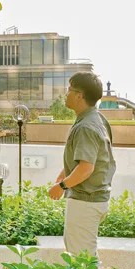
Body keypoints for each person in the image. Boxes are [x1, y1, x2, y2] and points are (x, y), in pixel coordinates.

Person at [48, 71, 116, 258]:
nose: (65, 93)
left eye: (69, 90)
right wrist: (64, 174)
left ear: (79, 96)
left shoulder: (86, 126)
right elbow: (86, 158)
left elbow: (86, 168)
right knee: (81, 254)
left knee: (82, 261)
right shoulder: (96, 119)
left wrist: (61, 186)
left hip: (86, 201)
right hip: (91, 199)